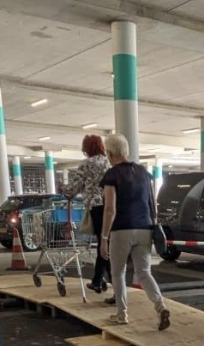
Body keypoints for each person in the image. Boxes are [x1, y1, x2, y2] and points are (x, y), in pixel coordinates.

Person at [99, 133, 169, 330]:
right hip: (144, 228)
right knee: (144, 272)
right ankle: (160, 306)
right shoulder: (143, 173)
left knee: (118, 273)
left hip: (121, 230)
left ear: (110, 153)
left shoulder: (111, 175)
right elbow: (150, 203)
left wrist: (104, 237)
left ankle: (122, 314)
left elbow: (110, 209)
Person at [68, 134, 111, 292]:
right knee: (105, 243)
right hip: (111, 206)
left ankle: (104, 281)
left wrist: (63, 190)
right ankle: (98, 280)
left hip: (96, 208)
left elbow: (74, 187)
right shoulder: (109, 162)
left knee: (103, 245)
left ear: (87, 148)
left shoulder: (87, 164)